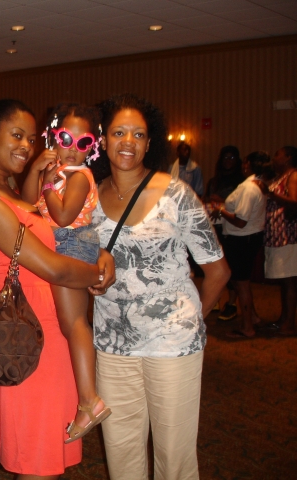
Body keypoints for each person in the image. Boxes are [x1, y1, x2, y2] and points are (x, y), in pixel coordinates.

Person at [0, 99, 115, 479]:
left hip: (53, 331)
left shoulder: (16, 189)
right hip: (23, 336)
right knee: (35, 462)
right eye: (16, 135)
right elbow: (51, 267)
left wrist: (98, 252)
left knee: (46, 459)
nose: (25, 145)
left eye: (31, 138)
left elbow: (58, 236)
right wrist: (95, 272)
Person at [89, 93, 230, 480]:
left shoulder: (176, 195)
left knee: (174, 457)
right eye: (119, 132)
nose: (128, 142)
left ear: (149, 144)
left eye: (138, 134)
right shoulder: (88, 198)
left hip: (172, 345)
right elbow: (77, 263)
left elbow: (218, 271)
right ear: (103, 139)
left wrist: (189, 322)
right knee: (121, 453)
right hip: (113, 346)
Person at [21, 103, 110, 442]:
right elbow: (28, 205)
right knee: (68, 323)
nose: (72, 148)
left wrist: (46, 185)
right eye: (64, 138)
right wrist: (37, 173)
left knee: (74, 324)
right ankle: (87, 399)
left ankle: (89, 401)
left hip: (72, 241)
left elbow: (61, 215)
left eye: (82, 143)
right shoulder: (57, 171)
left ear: (93, 147)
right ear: (51, 136)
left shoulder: (80, 177)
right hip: (61, 242)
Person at [210, 151, 268, 339]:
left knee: (242, 284)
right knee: (239, 281)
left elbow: (241, 220)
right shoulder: (257, 184)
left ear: (248, 165)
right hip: (246, 238)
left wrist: (220, 210)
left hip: (242, 238)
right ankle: (253, 317)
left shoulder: (249, 188)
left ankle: (247, 327)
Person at [257, 146, 297, 336]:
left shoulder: (294, 176)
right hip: (277, 237)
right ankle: (283, 319)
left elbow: (294, 201)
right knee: (284, 281)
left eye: (277, 154)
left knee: (289, 281)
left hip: (287, 236)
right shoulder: (281, 176)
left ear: (288, 157)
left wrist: (270, 193)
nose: (274, 158)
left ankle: (289, 324)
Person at [204, 146, 245, 320]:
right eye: (225, 157)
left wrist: (221, 203)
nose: (228, 161)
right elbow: (205, 198)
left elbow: (238, 207)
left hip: (230, 227)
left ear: (237, 160)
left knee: (230, 267)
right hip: (214, 226)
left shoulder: (240, 182)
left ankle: (232, 303)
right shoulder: (214, 181)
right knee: (213, 265)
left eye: (232, 157)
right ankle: (217, 301)